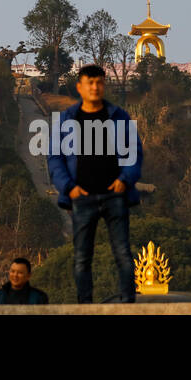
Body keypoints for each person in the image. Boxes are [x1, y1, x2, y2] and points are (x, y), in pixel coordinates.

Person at [45, 64, 143, 303]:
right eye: (90, 82)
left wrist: (124, 180)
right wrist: (69, 188)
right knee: (81, 257)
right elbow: (54, 157)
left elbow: (135, 153)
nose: (95, 87)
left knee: (122, 253)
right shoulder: (68, 118)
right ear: (80, 86)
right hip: (82, 196)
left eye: (99, 82)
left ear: (104, 85)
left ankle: (128, 303)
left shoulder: (118, 116)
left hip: (115, 195)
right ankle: (85, 306)